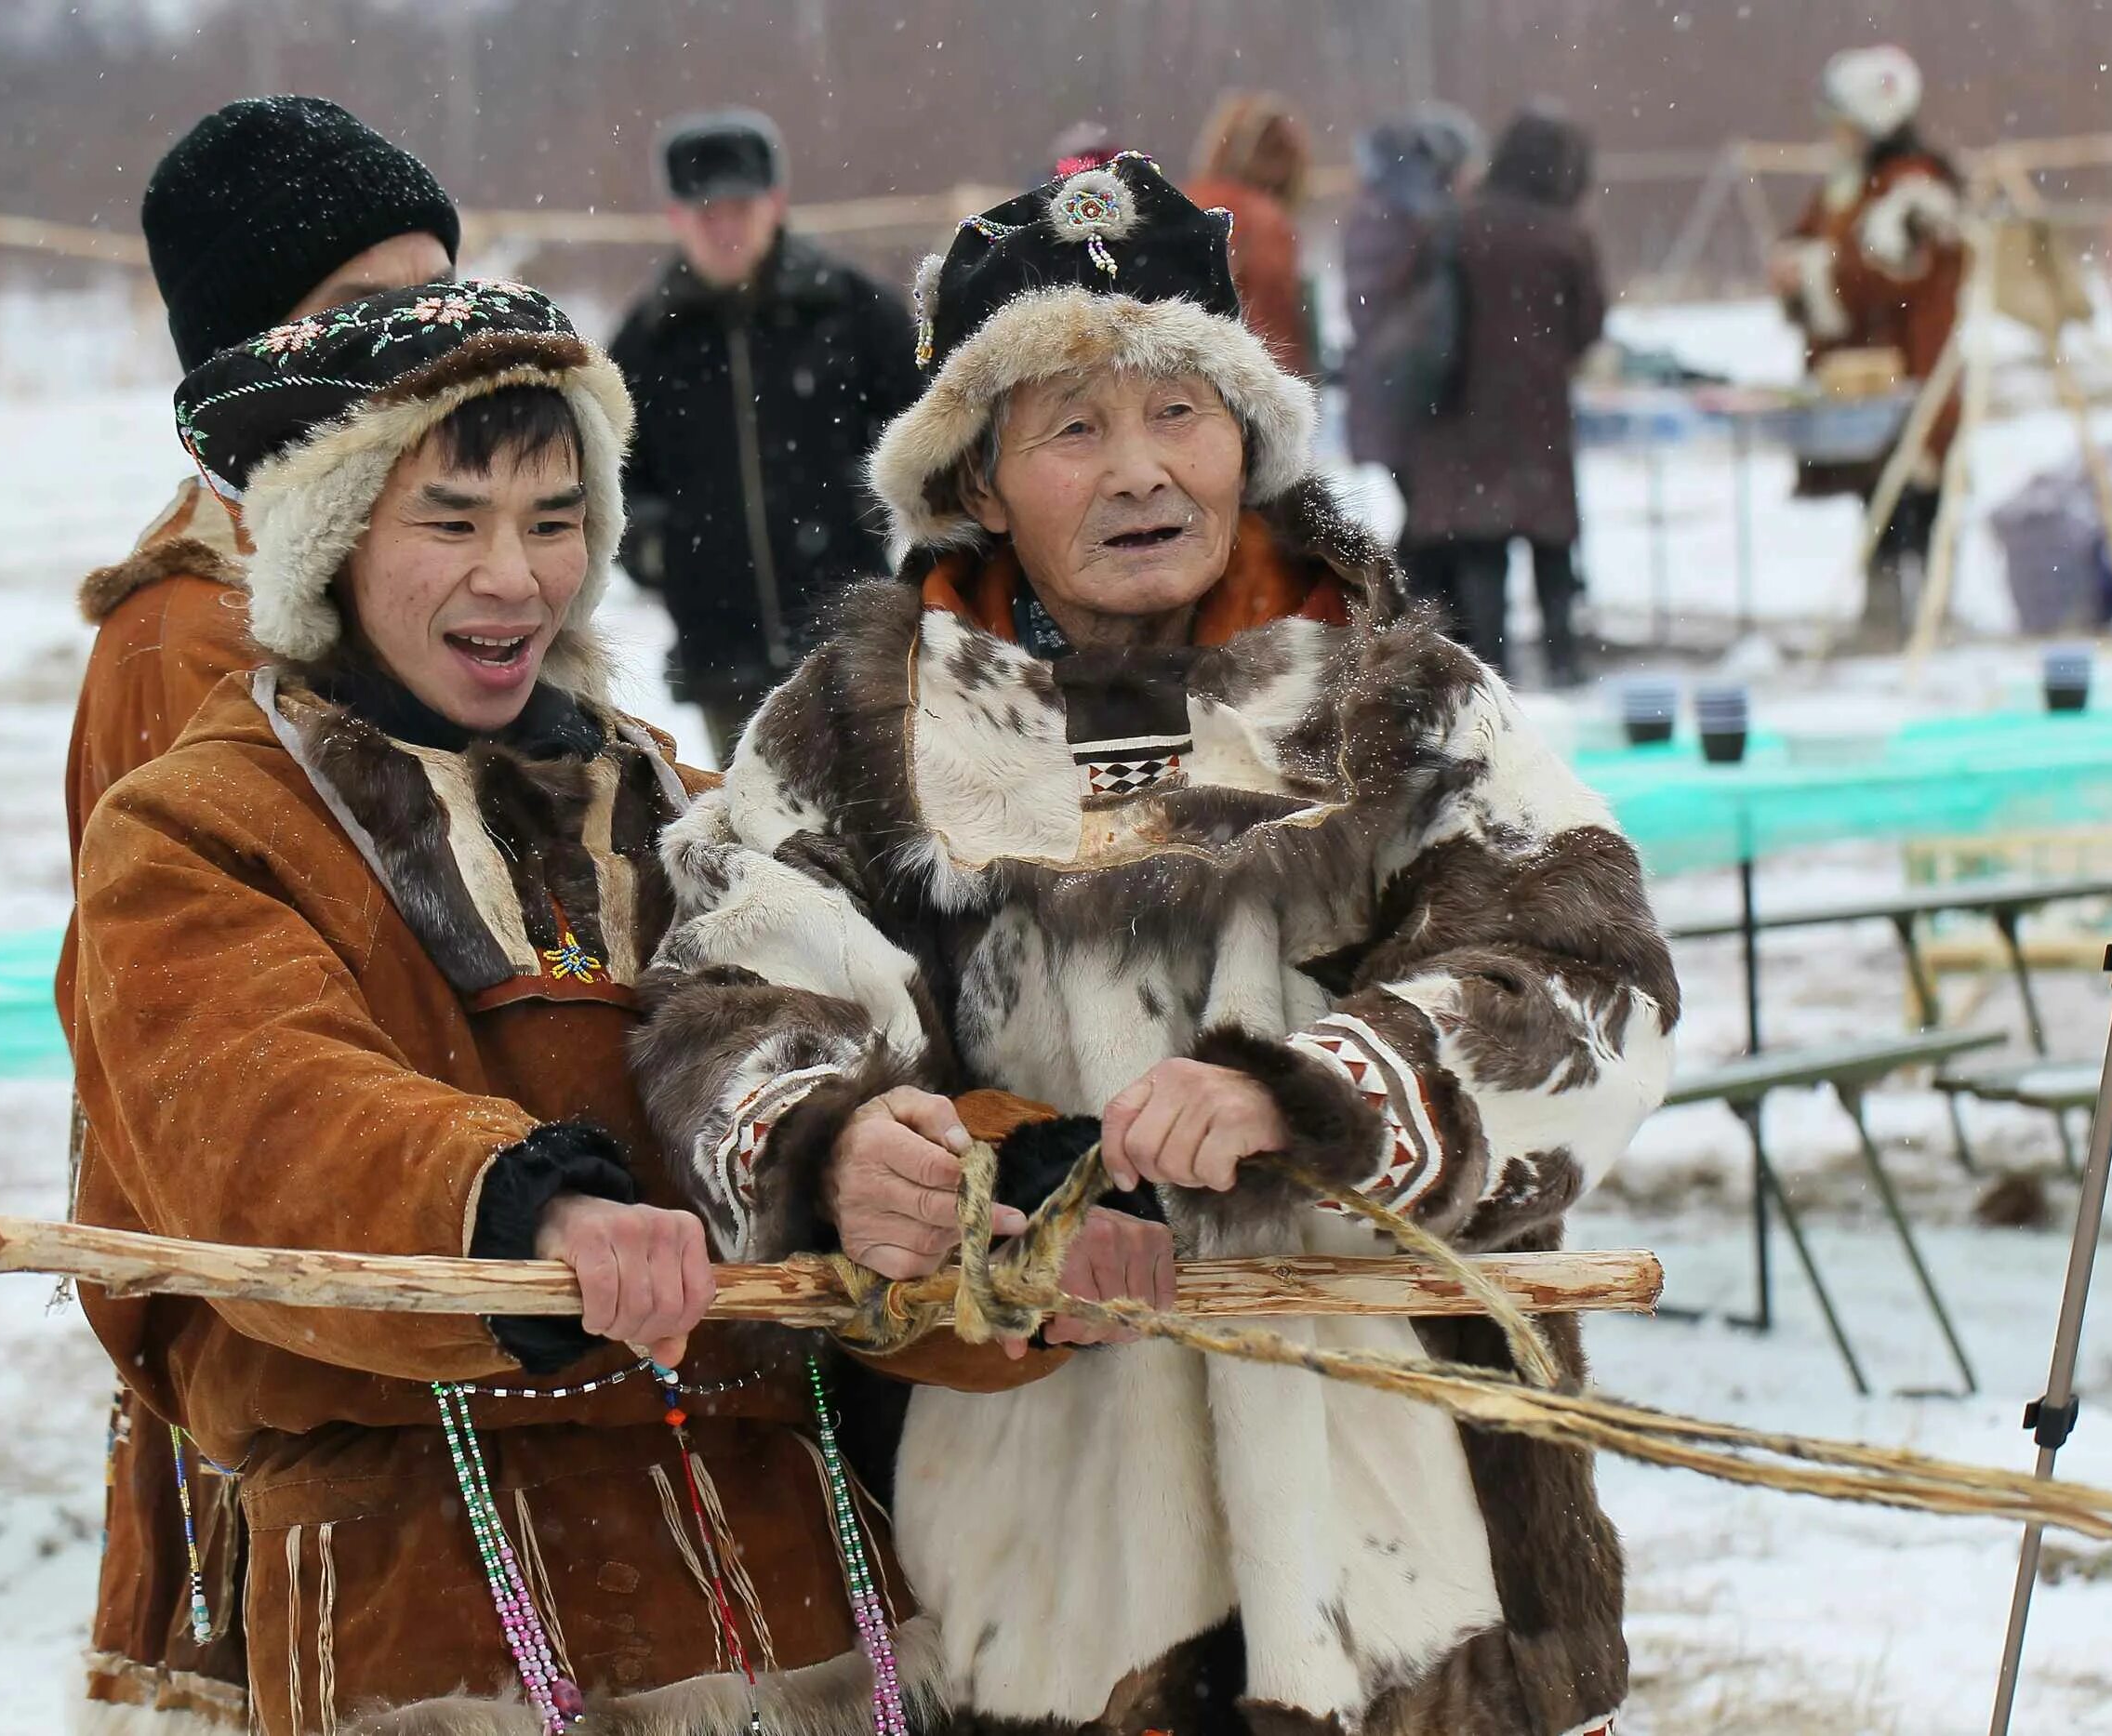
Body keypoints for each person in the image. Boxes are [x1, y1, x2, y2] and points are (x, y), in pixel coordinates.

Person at [637, 154, 1678, 1736]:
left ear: (1246, 436)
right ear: (979, 480)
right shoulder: (851, 739)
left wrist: (1327, 1086)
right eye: (1073, 428)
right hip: (1023, 1537)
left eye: (1179, 412)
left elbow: (1587, 968)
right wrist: (839, 1146)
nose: (1140, 472)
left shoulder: (1400, 700)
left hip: (1409, 1528)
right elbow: (730, 988)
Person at [71, 282, 936, 1732]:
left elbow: (879, 1043)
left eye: (553, 518)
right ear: (335, 541)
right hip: (425, 1598)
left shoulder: (691, 812)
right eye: (453, 520)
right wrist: (521, 1207)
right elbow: (254, 1103)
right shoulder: (198, 825)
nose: (517, 576)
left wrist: (933, 1176)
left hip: (793, 1581)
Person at [63, 93, 463, 1729]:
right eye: (358, 316)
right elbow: (200, 1022)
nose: (417, 348)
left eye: (436, 297)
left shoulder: (434, 558)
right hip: (301, 1265)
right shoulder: (186, 637)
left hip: (447, 1216)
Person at [610, 108, 923, 758]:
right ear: (675, 217)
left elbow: (925, 432)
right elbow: (610, 476)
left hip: (852, 632)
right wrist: (656, 548)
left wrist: (878, 514)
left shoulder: (855, 312)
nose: (724, 227)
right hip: (720, 648)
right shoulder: (646, 344)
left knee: (876, 818)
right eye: (705, 211)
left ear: (775, 203)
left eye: (739, 207)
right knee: (755, 830)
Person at [1381, 107, 1604, 686]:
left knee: (1480, 544)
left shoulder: (1453, 225)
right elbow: (1587, 327)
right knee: (1550, 543)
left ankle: (1491, 668)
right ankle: (1563, 661)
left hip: (1460, 409)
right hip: (1538, 413)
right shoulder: (1566, 236)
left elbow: (1404, 304)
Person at [1770, 45, 1968, 652]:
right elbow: (1813, 240)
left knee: (1912, 490)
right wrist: (1796, 263)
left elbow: (1886, 270)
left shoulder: (1913, 186)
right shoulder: (1854, 181)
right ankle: (1890, 615)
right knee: (1881, 494)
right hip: (1868, 375)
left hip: (1910, 366)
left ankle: (1919, 618)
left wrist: (1810, 272)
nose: (1837, 135)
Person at [1341, 103, 1482, 479]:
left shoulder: (1381, 213)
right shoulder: (1414, 221)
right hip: (1412, 398)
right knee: (1427, 526)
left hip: (1392, 395)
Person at [1184, 91, 1318, 378]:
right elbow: (1274, 323)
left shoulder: (1186, 204)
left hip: (1190, 383)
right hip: (1250, 383)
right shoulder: (1266, 221)